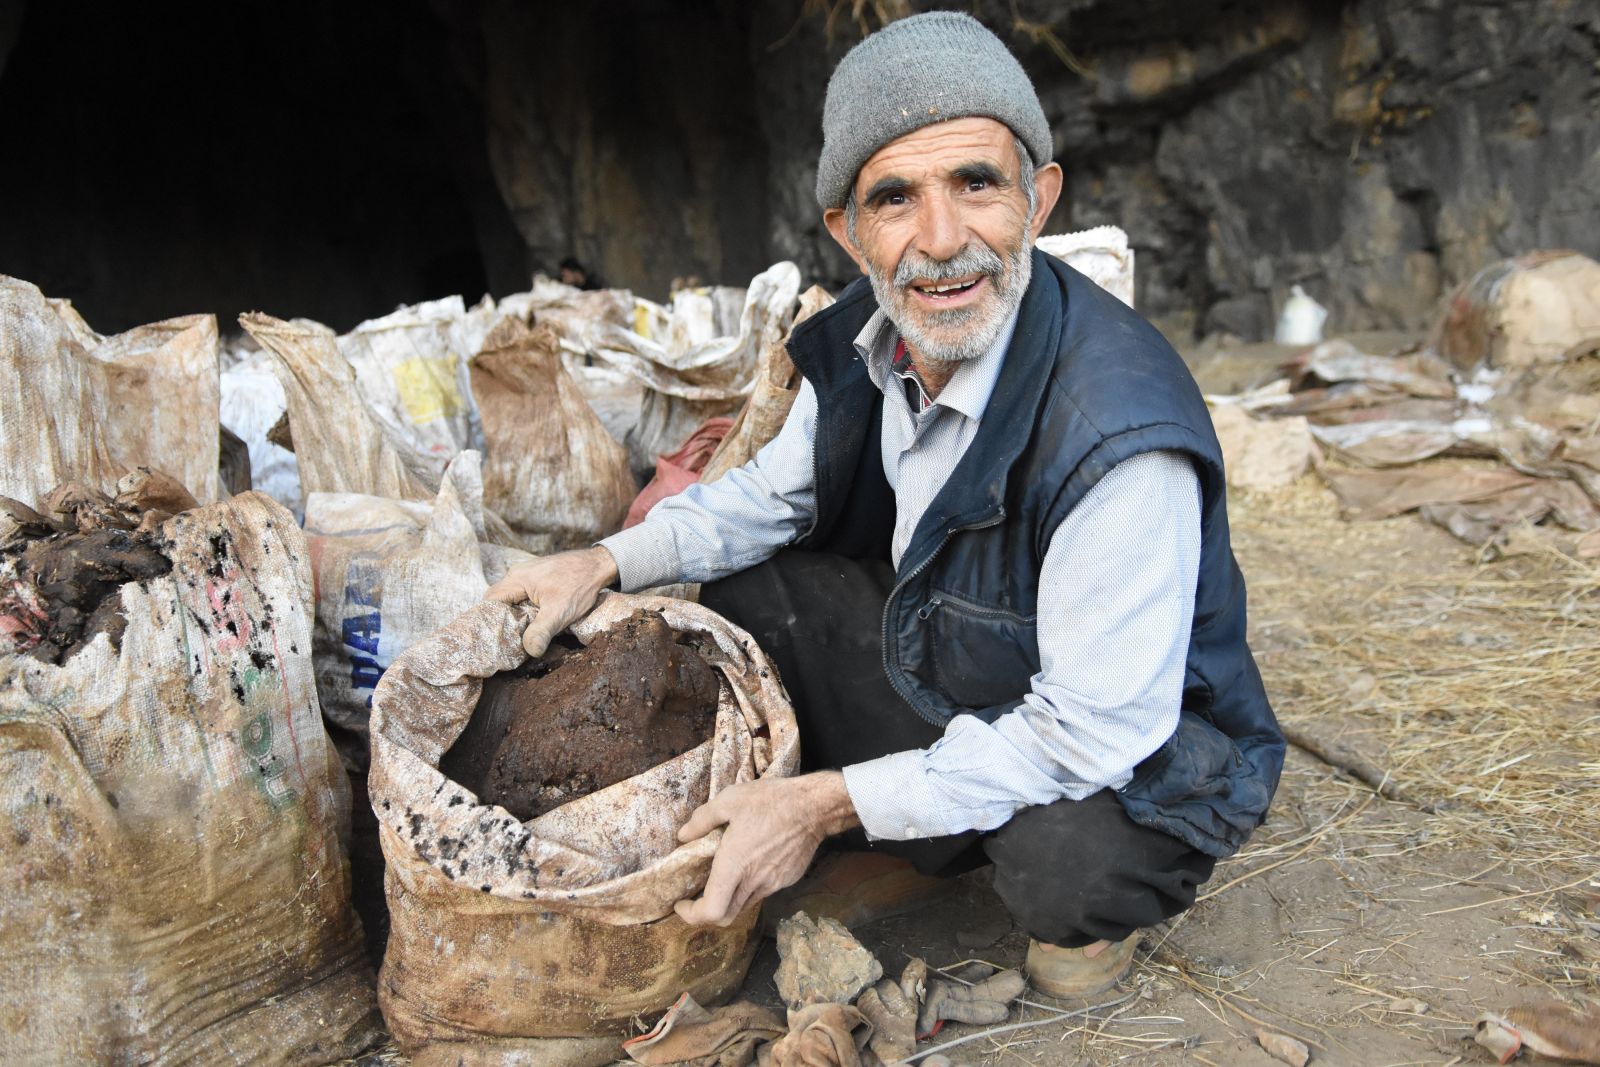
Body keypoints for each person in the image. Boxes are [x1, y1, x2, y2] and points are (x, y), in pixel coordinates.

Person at [487, 11, 1284, 998]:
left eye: (977, 184)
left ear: (1038, 199)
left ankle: (1047, 905)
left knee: (1071, 863)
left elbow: (1090, 729)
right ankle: (913, 833)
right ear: (849, 231)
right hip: (959, 649)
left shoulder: (1117, 429)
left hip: (1123, 734)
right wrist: (602, 560)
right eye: (895, 197)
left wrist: (823, 802)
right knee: (747, 593)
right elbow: (765, 500)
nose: (941, 241)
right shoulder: (869, 333)